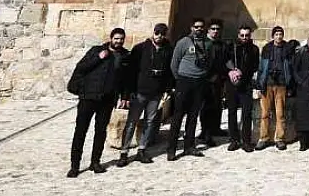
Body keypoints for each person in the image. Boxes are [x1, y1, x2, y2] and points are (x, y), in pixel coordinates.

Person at [66, 27, 130, 177]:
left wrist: (125, 97)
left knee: (100, 132)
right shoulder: (96, 50)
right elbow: (81, 68)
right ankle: (75, 166)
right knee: (80, 132)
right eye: (116, 39)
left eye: (121, 39)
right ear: (111, 38)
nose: (118, 41)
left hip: (107, 100)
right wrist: (99, 58)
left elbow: (126, 80)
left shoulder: (125, 55)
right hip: (88, 97)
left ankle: (95, 162)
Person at [117, 23, 173, 167]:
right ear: (153, 33)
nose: (159, 36)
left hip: (156, 93)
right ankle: (124, 152)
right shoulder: (140, 48)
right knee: (132, 122)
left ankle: (142, 149)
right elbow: (131, 72)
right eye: (157, 33)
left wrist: (167, 89)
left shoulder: (168, 50)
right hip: (140, 92)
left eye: (162, 34)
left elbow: (169, 72)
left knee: (150, 122)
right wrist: (126, 94)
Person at [167, 19, 213, 161]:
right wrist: (180, 79)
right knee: (178, 115)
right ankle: (172, 149)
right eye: (196, 26)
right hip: (184, 81)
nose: (199, 29)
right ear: (191, 27)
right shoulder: (183, 42)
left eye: (201, 27)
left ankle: (189, 146)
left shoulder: (208, 43)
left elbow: (209, 61)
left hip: (200, 82)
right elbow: (174, 63)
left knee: (193, 116)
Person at [224, 24, 261, 152]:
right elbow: (224, 62)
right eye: (242, 35)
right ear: (238, 35)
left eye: (247, 35)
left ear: (250, 36)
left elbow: (255, 66)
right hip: (232, 84)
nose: (244, 37)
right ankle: (234, 140)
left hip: (246, 84)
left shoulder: (254, 49)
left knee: (246, 113)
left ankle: (246, 140)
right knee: (232, 112)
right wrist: (230, 72)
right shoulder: (230, 47)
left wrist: (244, 73)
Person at [255, 26, 293, 151]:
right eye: (276, 34)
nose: (278, 36)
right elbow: (261, 67)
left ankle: (280, 138)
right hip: (267, 84)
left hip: (281, 84)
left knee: (280, 113)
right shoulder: (267, 48)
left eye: (280, 34)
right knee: (265, 113)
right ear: (273, 36)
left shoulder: (287, 48)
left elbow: (290, 67)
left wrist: (290, 84)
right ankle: (263, 138)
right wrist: (259, 84)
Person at [198, 19, 227, 147]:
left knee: (217, 105)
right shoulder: (203, 43)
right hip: (206, 80)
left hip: (219, 80)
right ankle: (205, 133)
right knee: (206, 107)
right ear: (208, 30)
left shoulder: (221, 45)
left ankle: (216, 128)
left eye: (217, 29)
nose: (215, 31)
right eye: (213, 29)